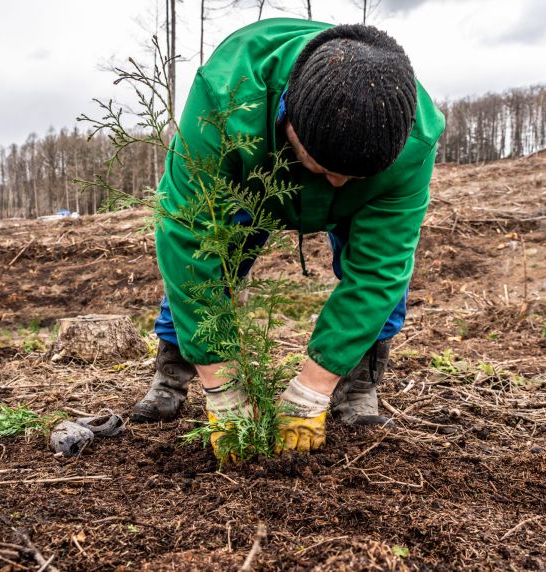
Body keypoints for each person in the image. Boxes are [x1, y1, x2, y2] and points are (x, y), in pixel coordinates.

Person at [131, 18, 445, 455]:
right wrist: (222, 384)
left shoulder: (414, 138)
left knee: (387, 279)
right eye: (324, 166)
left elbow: (379, 271)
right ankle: (174, 369)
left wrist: (312, 387)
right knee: (210, 254)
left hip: (364, 199)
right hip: (252, 177)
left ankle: (356, 381)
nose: (336, 183)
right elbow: (186, 239)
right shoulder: (227, 96)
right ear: (289, 119)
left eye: (351, 176)